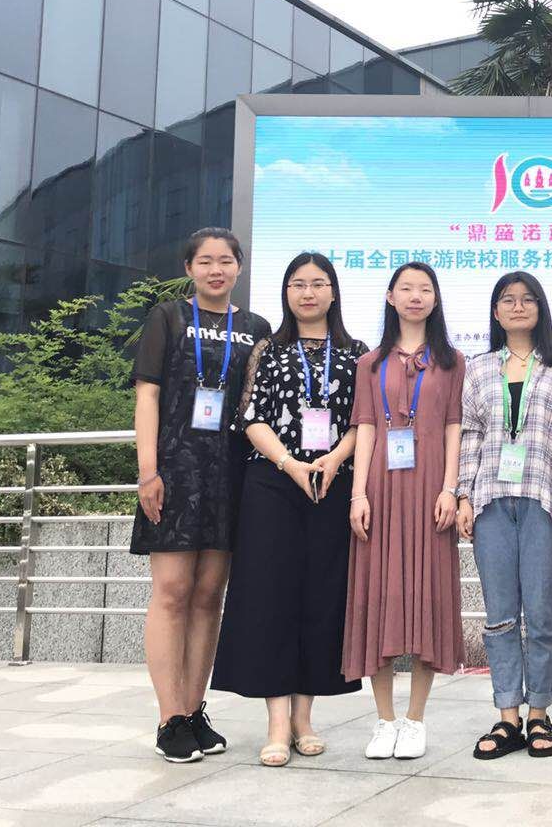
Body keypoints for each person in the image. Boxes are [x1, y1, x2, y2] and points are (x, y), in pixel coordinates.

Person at [212, 252, 370, 766]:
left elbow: (364, 422)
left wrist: (334, 459)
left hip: (333, 484)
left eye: (318, 283)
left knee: (322, 598)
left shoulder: (357, 353)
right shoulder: (269, 348)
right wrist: (288, 463)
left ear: (333, 292)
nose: (308, 293)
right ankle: (277, 723)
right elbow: (251, 417)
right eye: (298, 284)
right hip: (272, 483)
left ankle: (305, 717)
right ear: (286, 292)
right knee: (271, 598)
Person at [130, 227, 272, 763]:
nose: (217, 269)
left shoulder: (255, 328)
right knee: (172, 591)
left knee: (210, 595)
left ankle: (193, 711)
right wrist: (148, 471)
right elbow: (148, 396)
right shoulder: (167, 317)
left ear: (239, 267)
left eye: (226, 260)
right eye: (206, 261)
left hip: (231, 474)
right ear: (189, 267)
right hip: (174, 470)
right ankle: (169, 717)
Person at [457, 272, 552, 760]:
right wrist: (464, 495)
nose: (517, 306)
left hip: (544, 499)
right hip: (491, 500)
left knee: (543, 613)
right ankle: (507, 715)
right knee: (500, 615)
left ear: (540, 308)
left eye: (527, 299)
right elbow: (470, 435)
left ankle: (539, 714)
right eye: (507, 300)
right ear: (495, 311)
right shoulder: (479, 368)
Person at [344, 262, 466, 761]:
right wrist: (358, 494)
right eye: (406, 288)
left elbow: (455, 426)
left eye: (425, 289)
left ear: (435, 300)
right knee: (379, 597)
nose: (416, 296)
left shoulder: (452, 361)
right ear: (390, 297)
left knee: (428, 598)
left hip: (431, 489)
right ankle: (384, 720)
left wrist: (450, 488)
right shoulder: (370, 363)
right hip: (382, 490)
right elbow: (367, 428)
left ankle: (415, 720)